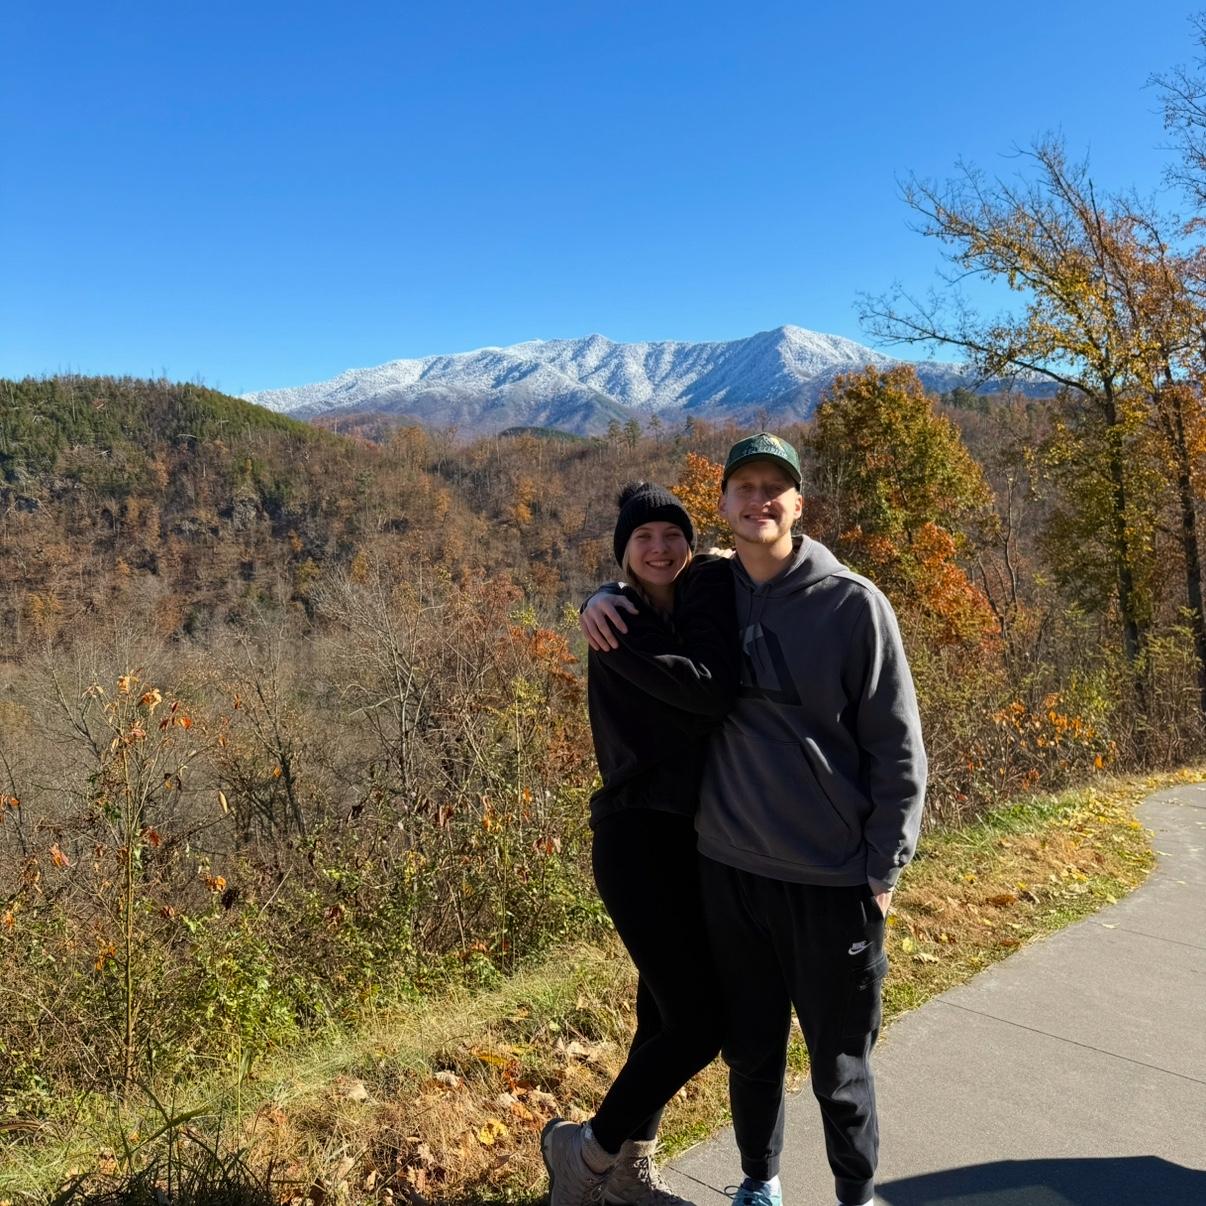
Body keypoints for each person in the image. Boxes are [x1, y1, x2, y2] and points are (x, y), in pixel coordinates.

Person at [581, 435, 927, 1206]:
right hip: (728, 870)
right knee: (750, 1050)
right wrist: (597, 598)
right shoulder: (714, 588)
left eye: (777, 487)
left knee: (839, 1065)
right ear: (726, 504)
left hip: (832, 875)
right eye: (745, 486)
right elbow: (645, 585)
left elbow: (898, 746)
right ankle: (756, 1183)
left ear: (798, 504)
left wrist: (884, 867)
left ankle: (855, 1194)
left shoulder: (851, 604)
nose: (760, 499)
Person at [542, 482, 740, 1206]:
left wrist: (717, 569)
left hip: (693, 839)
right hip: (637, 837)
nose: (659, 546)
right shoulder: (616, 620)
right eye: (643, 537)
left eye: (672, 534)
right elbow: (710, 691)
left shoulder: (684, 606)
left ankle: (627, 1171)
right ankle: (584, 1153)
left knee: (661, 1015)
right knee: (698, 1023)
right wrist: (601, 594)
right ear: (623, 553)